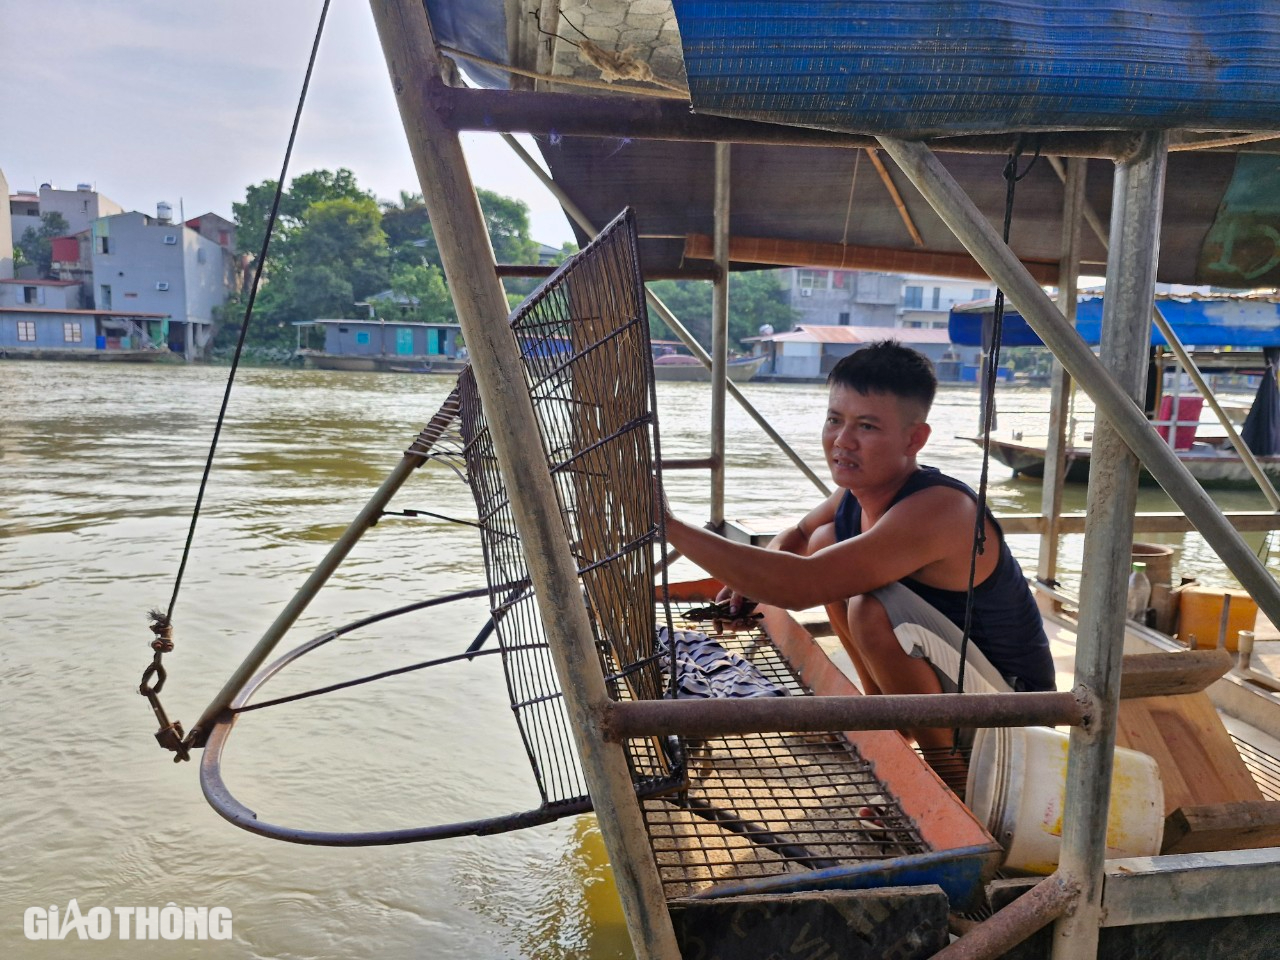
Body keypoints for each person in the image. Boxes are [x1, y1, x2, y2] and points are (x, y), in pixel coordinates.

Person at [661, 340, 1055, 752]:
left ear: (914, 439)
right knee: (823, 540)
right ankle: (884, 719)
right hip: (961, 686)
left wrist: (669, 525)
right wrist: (747, 589)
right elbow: (795, 537)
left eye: (866, 426)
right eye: (835, 420)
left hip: (1017, 707)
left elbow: (800, 587)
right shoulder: (858, 493)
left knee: (870, 608)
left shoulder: (940, 510)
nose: (842, 441)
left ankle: (949, 776)